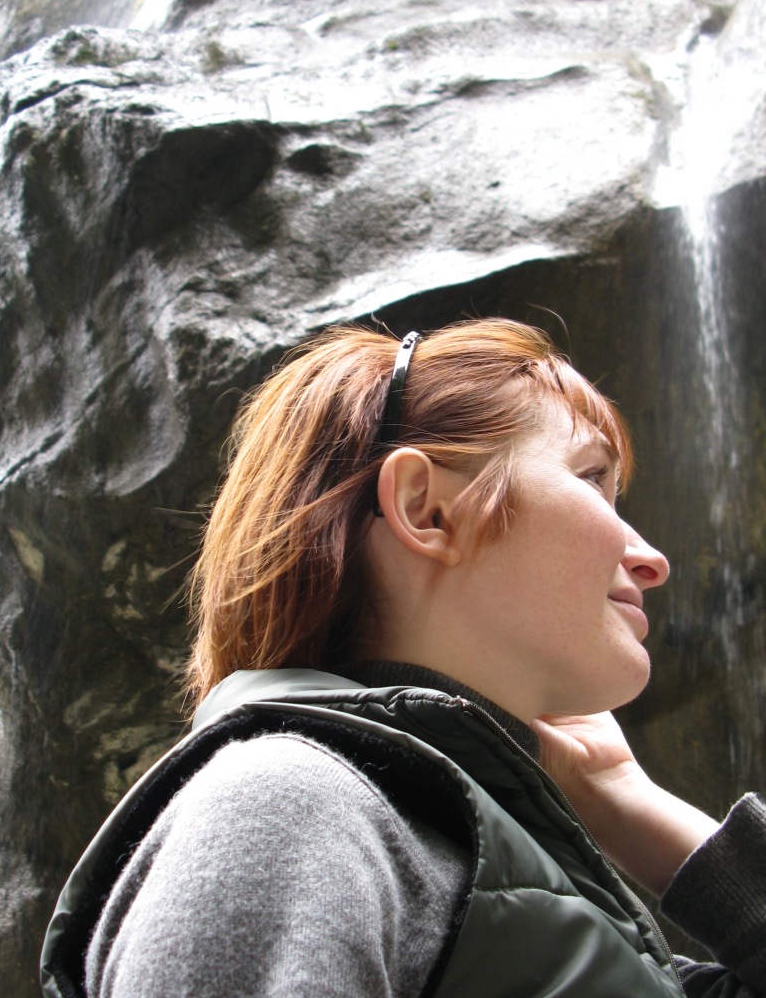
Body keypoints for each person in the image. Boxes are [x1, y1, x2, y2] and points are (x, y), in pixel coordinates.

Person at [41, 319, 766, 998]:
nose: (652, 560)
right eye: (590, 479)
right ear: (426, 509)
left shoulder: (513, 895)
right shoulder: (286, 803)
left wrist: (626, 800)